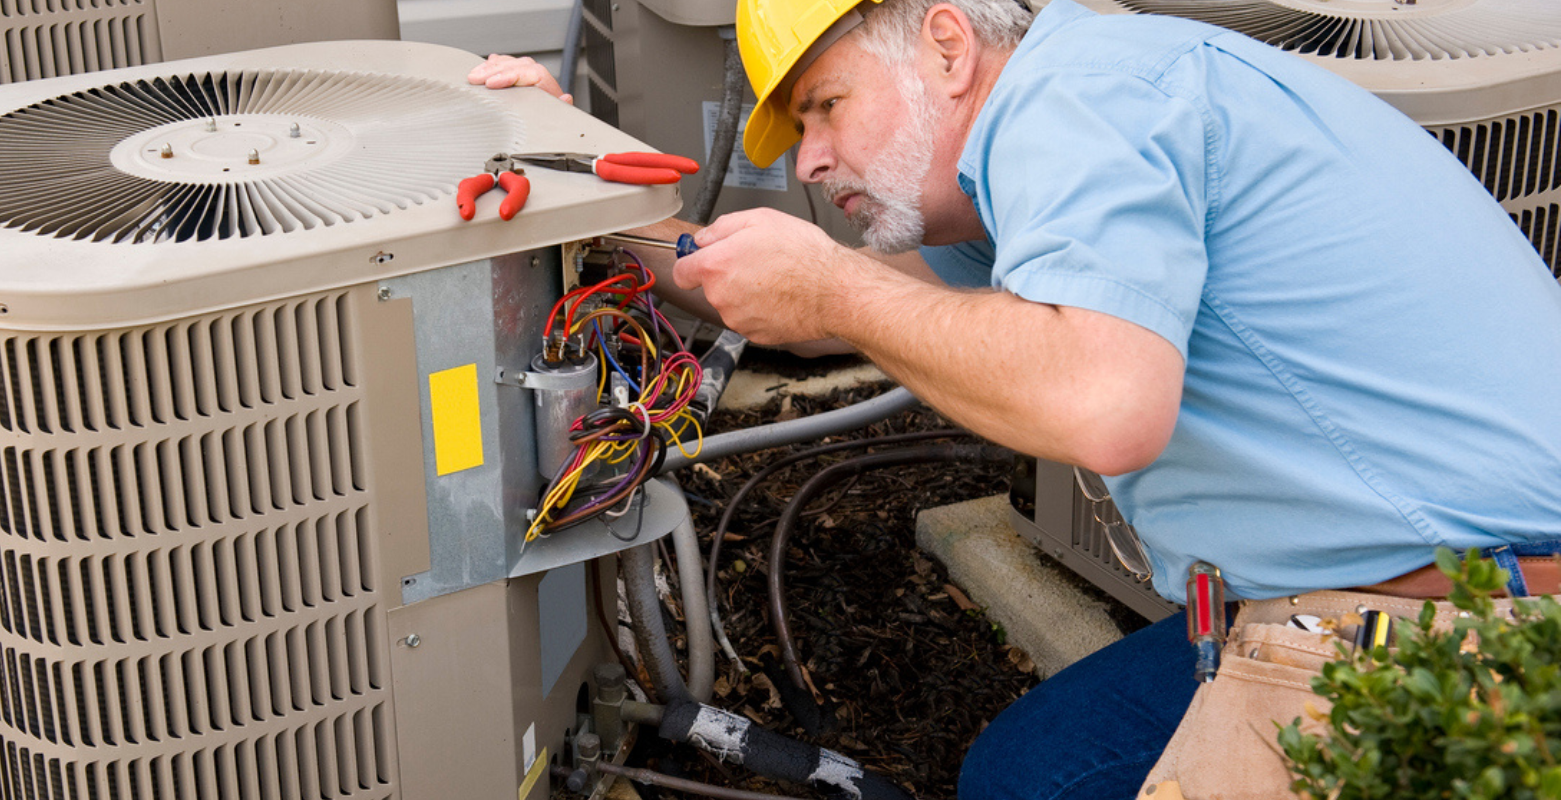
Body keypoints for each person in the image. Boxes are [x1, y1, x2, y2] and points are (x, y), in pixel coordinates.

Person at [472, 0, 1561, 797]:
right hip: (1379, 580)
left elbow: (1101, 400)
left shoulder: (1078, 101)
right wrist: (580, 182)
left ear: (947, 42)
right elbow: (806, 303)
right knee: (1027, 771)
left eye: (825, 107)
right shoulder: (1043, 138)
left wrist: (834, 280)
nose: (810, 161)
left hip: (1477, 613)